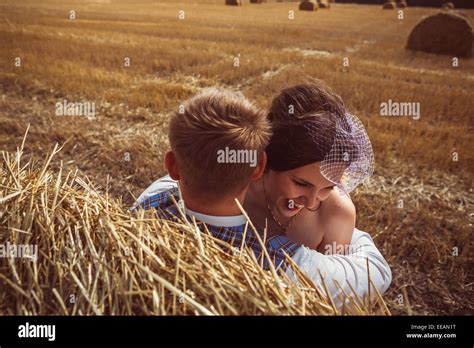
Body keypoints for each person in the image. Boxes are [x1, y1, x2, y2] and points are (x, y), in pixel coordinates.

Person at [131, 86, 391, 306]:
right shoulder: (282, 259)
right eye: (300, 183)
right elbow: (367, 277)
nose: (312, 202)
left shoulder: (145, 210)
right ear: (261, 164)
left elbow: (329, 303)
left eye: (330, 187)